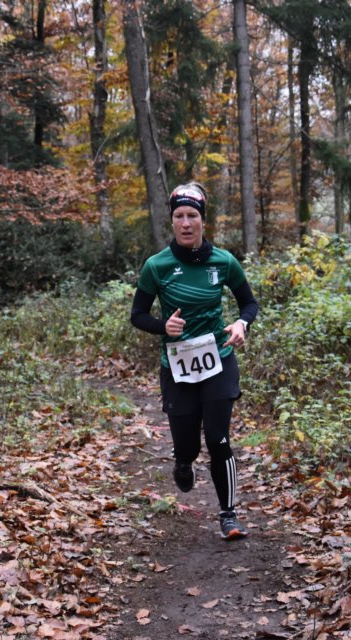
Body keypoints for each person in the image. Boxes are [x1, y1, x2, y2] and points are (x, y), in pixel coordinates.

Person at [130, 182, 259, 540]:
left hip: (218, 357)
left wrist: (241, 324)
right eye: (179, 216)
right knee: (187, 445)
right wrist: (163, 326)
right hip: (177, 366)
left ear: (203, 220)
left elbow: (249, 303)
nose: (186, 223)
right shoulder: (156, 266)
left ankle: (229, 515)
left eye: (192, 216)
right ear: (172, 220)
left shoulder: (224, 261)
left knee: (218, 439)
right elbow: (138, 315)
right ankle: (183, 461)